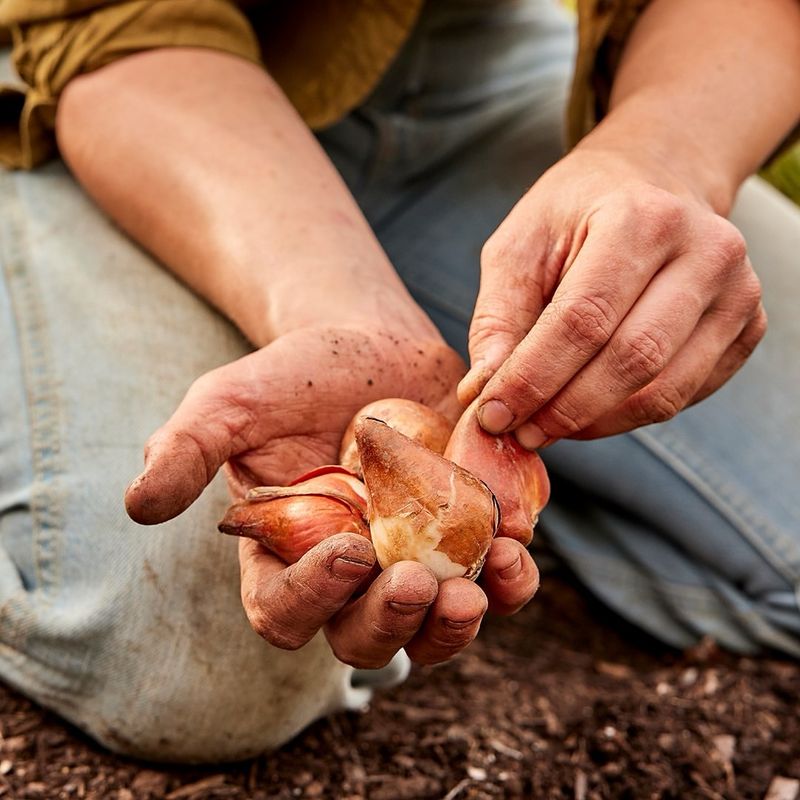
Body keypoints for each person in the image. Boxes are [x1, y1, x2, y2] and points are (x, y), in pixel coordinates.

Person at [0, 0, 798, 763]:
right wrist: (341, 305)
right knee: (194, 677)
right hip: (140, 98)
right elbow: (104, 21)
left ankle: (574, 502)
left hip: (476, 76)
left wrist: (658, 158)